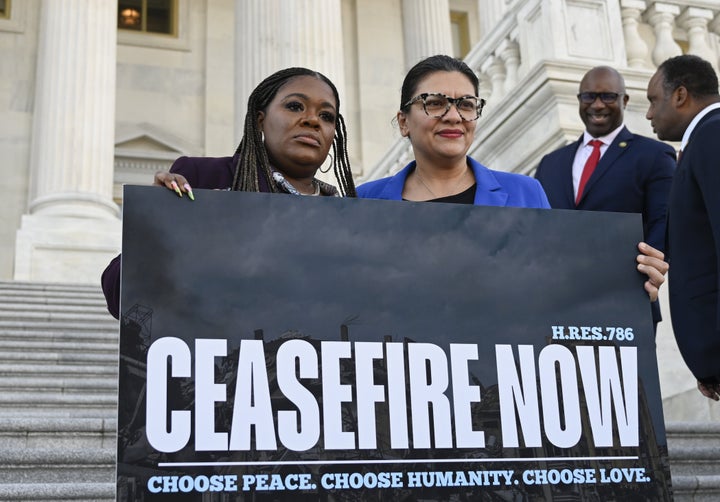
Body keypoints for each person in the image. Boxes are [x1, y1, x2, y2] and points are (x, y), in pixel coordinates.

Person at [358, 55, 668, 304]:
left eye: (466, 104)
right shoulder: (362, 204)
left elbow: (558, 282)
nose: (453, 116)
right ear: (403, 122)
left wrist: (629, 279)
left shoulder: (525, 192)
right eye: (435, 103)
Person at [101, 67, 356, 319]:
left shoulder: (349, 216)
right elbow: (119, 298)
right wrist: (159, 226)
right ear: (260, 120)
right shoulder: (203, 178)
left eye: (326, 116)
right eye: (295, 106)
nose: (313, 120)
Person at [535, 66, 676, 328]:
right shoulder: (550, 163)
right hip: (556, 307)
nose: (597, 105)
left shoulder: (654, 155)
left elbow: (664, 221)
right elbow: (537, 227)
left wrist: (651, 273)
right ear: (579, 101)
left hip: (625, 302)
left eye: (608, 97)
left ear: (624, 100)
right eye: (589, 97)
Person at [645, 54, 720, 401]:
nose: (648, 114)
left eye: (653, 101)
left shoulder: (712, 136)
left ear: (680, 95)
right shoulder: (702, 142)